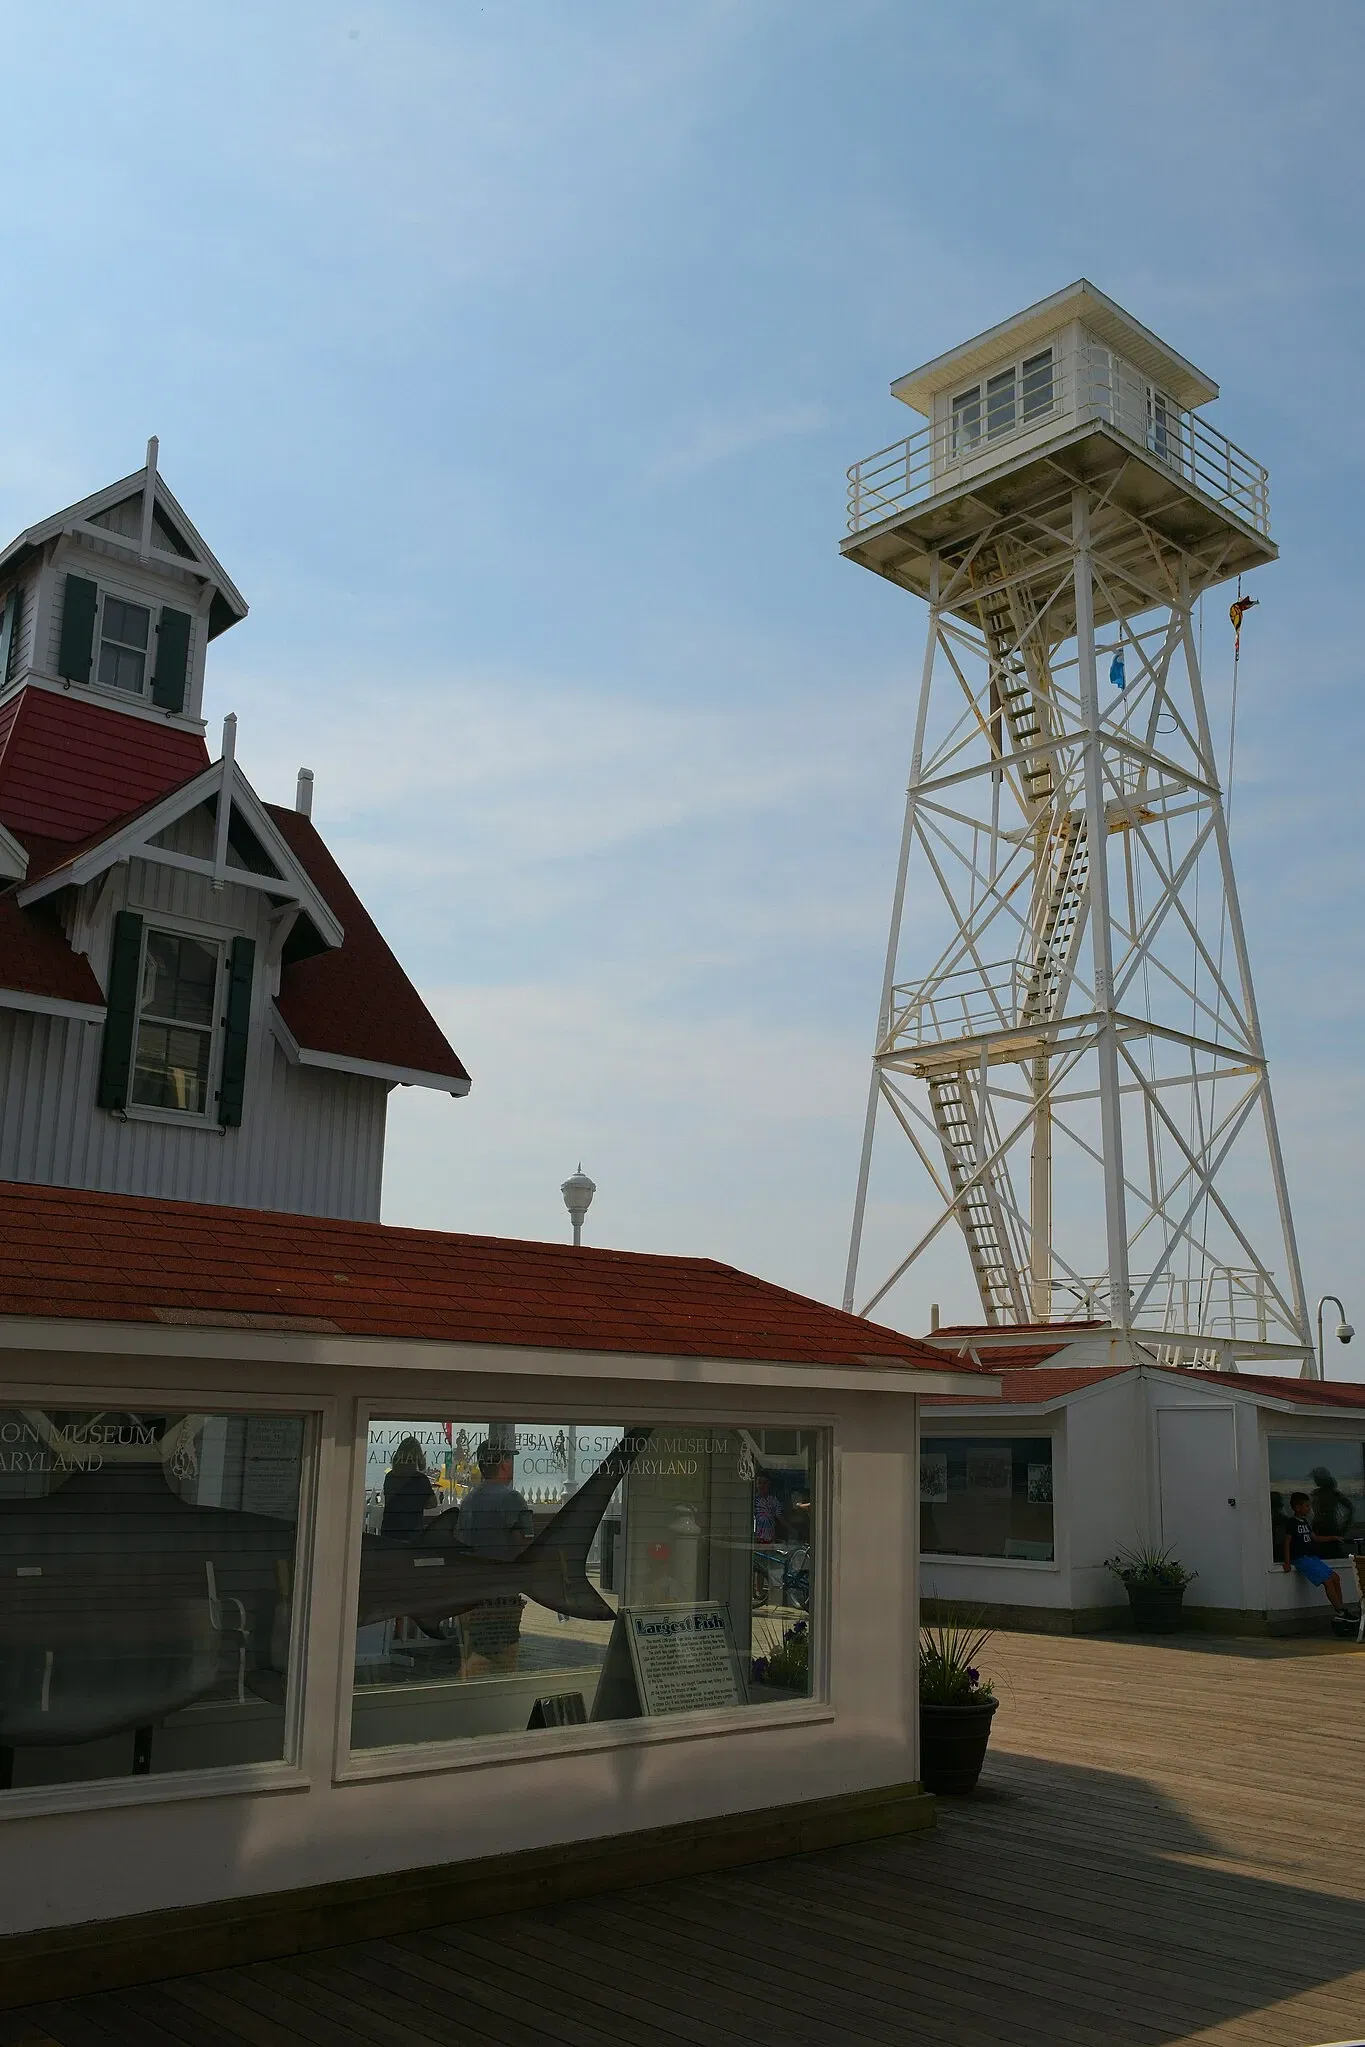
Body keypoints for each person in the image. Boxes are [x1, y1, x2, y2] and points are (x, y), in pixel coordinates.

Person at [456, 1438, 535, 1673]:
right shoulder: (511, 1499)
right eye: (510, 1459)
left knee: (476, 1646)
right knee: (503, 1652)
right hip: (501, 1592)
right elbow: (524, 1544)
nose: (512, 1464)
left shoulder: (470, 1499)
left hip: (472, 1587)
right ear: (503, 1464)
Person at [1281, 1491, 1346, 1614]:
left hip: (1312, 1558)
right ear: (1297, 1507)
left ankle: (1341, 1606)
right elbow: (1287, 1542)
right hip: (1301, 1558)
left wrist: (1333, 1538)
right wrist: (1287, 1562)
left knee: (1335, 1578)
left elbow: (1314, 1538)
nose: (1309, 1508)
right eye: (1307, 1506)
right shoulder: (1292, 1523)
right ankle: (1339, 1610)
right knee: (1327, 1581)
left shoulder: (1305, 1522)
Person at [380, 1436, 438, 1540]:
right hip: (411, 1535)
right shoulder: (420, 1480)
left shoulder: (389, 1477)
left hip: (389, 1533)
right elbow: (433, 1503)